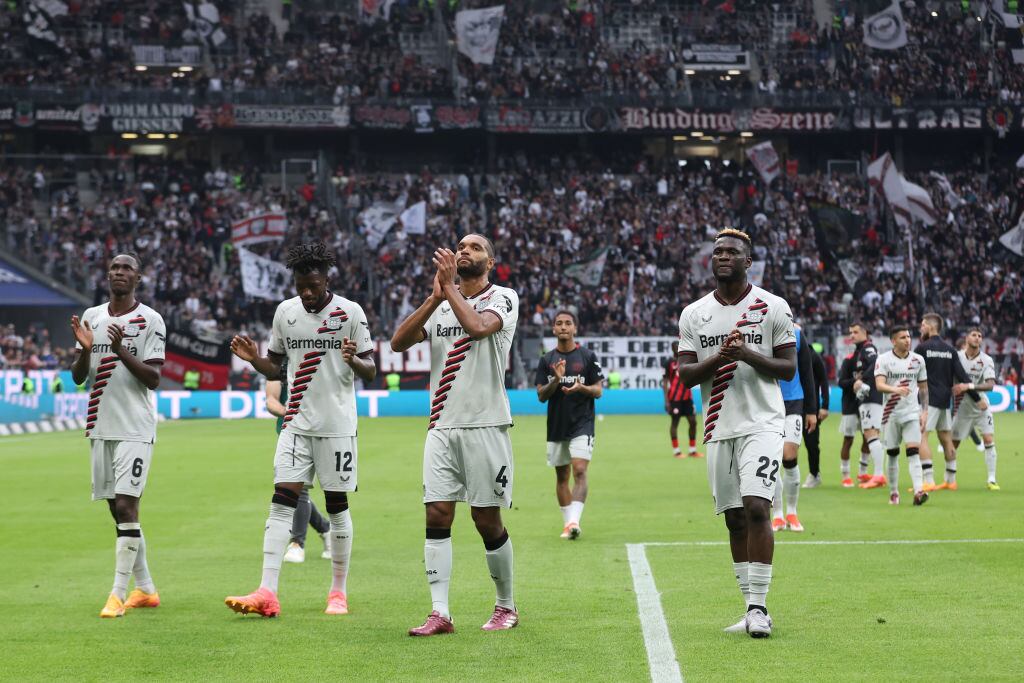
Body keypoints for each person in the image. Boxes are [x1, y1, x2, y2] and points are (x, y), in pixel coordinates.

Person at [224, 242, 375, 618]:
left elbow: (371, 369)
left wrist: (353, 358)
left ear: (326, 279)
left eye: (313, 285)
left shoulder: (350, 312)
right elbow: (276, 369)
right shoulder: (285, 313)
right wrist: (254, 359)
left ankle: (338, 592)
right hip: (295, 424)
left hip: (337, 427)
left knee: (337, 507)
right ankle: (267, 591)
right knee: (281, 501)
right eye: (300, 285)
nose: (306, 292)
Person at [391, 234, 520, 636]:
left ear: (490, 262)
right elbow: (398, 343)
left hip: (486, 425)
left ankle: (506, 605)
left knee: (486, 519)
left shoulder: (504, 297)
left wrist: (448, 290)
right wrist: (434, 299)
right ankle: (440, 612)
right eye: (461, 246)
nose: (464, 251)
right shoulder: (442, 302)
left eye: (475, 247)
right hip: (441, 427)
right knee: (436, 513)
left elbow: (480, 328)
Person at [676, 229, 797, 639]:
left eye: (732, 252)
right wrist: (721, 357)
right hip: (717, 426)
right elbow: (687, 375)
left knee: (758, 507)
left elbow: (788, 368)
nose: (723, 256)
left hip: (762, 422)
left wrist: (746, 353)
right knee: (734, 520)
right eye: (718, 252)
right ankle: (748, 606)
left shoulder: (772, 307)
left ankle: (761, 607)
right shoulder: (693, 313)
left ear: (749, 261)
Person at [70, 253, 166, 618]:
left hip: (134, 428)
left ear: (138, 277)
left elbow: (154, 379)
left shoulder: (151, 320)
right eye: (113, 268)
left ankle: (117, 594)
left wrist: (119, 348)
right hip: (100, 425)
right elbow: (80, 376)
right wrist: (86, 349)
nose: (118, 273)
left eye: (126, 268)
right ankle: (146, 589)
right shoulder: (92, 316)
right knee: (117, 510)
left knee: (127, 505)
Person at [535, 310, 604, 540]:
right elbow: (541, 396)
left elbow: (598, 390)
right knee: (562, 476)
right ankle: (569, 524)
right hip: (557, 425)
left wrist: (580, 387)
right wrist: (555, 380)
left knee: (580, 470)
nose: (563, 327)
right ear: (554, 329)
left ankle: (574, 521)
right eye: (559, 324)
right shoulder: (546, 361)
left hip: (582, 423)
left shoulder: (587, 356)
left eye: (568, 323)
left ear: (575, 328)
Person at [264, 362, 332, 563]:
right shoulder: (281, 364)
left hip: (324, 429)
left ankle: (323, 531)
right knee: (297, 488)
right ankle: (298, 543)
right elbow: (271, 400)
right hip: (291, 431)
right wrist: (290, 413)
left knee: (298, 489)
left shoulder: (320, 359)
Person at [914, 313, 977, 492]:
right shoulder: (950, 350)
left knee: (922, 436)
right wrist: (977, 398)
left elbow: (912, 374)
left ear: (930, 327)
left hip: (929, 400)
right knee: (946, 439)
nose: (921, 328)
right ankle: (951, 480)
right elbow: (962, 376)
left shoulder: (922, 348)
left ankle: (928, 480)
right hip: (945, 400)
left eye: (923, 325)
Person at [874, 325, 929, 506]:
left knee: (913, 452)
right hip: (890, 414)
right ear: (893, 341)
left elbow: (923, 388)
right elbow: (879, 385)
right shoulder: (883, 360)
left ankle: (919, 491)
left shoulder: (918, 360)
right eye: (903, 337)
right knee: (892, 454)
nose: (907, 340)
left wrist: (925, 411)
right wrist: (896, 389)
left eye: (908, 336)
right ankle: (894, 492)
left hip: (911, 413)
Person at [771, 324, 817, 532]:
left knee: (789, 456)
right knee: (772, 460)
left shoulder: (796, 333)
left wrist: (811, 410)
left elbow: (808, 372)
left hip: (793, 401)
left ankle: (792, 512)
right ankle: (778, 514)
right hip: (767, 403)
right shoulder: (757, 330)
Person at [951, 329, 999, 490]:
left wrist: (968, 386)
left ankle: (991, 479)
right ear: (966, 338)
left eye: (980, 336)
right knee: (953, 443)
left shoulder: (986, 360)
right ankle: (949, 479)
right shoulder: (956, 357)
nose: (977, 338)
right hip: (962, 407)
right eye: (974, 335)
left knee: (988, 439)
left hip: (981, 406)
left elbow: (991, 385)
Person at [849, 323, 888, 490]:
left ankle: (879, 474)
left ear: (865, 333)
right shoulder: (860, 351)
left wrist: (862, 379)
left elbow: (875, 363)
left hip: (871, 396)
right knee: (871, 434)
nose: (852, 335)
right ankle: (877, 474)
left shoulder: (868, 348)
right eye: (851, 333)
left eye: (856, 332)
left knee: (871, 433)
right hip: (868, 397)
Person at [836, 351, 870, 487]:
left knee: (868, 438)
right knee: (848, 440)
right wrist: (856, 382)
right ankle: (845, 475)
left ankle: (863, 472)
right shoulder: (848, 360)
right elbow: (841, 382)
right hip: (850, 405)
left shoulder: (870, 362)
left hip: (866, 404)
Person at [663, 341, 699, 458]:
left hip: (687, 397)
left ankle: (692, 450)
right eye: (675, 347)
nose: (677, 349)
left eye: (678, 346)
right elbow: (665, 381)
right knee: (675, 423)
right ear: (672, 349)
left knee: (693, 422)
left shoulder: (687, 361)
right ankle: (676, 451)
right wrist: (667, 401)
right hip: (674, 398)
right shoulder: (669, 363)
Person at [802, 341, 829, 488]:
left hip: (811, 408)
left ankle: (814, 474)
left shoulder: (813, 356)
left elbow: (824, 381)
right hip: (791, 406)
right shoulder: (786, 353)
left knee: (811, 443)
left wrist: (825, 406)